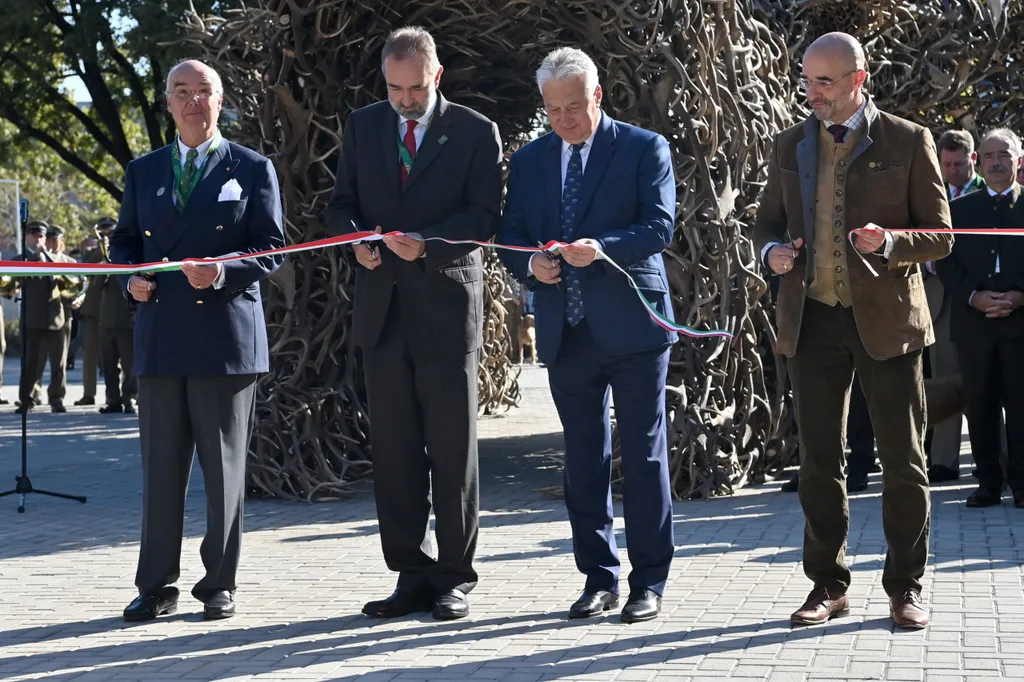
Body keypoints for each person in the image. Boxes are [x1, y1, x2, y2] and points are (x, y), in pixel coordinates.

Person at [753, 32, 953, 629]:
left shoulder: (908, 139)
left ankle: (906, 586)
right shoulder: (790, 143)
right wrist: (771, 253)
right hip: (811, 320)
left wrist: (890, 242)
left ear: (858, 79)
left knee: (904, 459)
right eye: (806, 80)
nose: (811, 92)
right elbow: (765, 224)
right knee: (818, 461)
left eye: (824, 81)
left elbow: (941, 235)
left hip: (889, 322)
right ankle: (827, 585)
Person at [326, 26, 502, 621]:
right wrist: (357, 241)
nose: (405, 100)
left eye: (416, 89)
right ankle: (411, 572)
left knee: (452, 452)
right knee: (395, 453)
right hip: (382, 314)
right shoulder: (363, 126)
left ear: (437, 76)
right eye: (395, 89)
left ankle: (454, 577)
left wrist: (428, 244)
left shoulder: (475, 131)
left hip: (446, 312)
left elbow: (484, 215)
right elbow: (341, 204)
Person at [498, 47, 676, 623]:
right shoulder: (530, 160)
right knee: (582, 460)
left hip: (633, 325)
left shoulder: (644, 147)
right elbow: (510, 237)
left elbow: (659, 225)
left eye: (573, 107)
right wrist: (531, 265)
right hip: (565, 330)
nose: (564, 119)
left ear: (597, 96)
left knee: (643, 456)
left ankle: (648, 582)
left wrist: (602, 248)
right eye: (553, 110)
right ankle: (599, 578)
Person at [110, 59, 285, 622]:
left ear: (219, 99)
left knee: (223, 473)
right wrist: (130, 280)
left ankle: (219, 584)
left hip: (223, 339)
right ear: (168, 103)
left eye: (203, 91)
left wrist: (223, 273)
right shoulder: (144, 170)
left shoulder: (251, 167)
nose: (192, 101)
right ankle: (155, 585)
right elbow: (124, 244)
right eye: (181, 91)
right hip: (161, 336)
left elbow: (272, 248)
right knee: (161, 472)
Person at [937, 128, 1024, 509]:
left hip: (1020, 324)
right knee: (980, 405)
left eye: (1004, 154)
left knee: (1020, 406)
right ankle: (988, 482)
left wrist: (1020, 296)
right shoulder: (958, 210)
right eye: (988, 156)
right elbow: (946, 263)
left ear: (1018, 160)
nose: (996, 162)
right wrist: (975, 296)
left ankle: (1022, 483)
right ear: (979, 162)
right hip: (974, 325)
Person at [1, 221, 80, 413]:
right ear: (27, 237)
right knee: (30, 363)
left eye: (41, 236)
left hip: (56, 317)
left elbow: (72, 285)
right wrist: (30, 263)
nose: (38, 239)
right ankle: (27, 399)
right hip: (32, 318)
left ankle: (57, 398)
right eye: (35, 236)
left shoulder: (57, 260)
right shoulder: (20, 260)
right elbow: (8, 287)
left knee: (59, 363)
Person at [96, 219, 137, 414]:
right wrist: (103, 267)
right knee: (108, 364)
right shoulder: (102, 260)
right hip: (106, 320)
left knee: (130, 365)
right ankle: (112, 400)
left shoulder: (130, 259)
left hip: (126, 321)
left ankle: (129, 398)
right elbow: (95, 287)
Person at [73, 224, 110, 406]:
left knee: (115, 355)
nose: (106, 236)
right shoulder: (93, 253)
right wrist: (101, 249)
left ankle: (118, 396)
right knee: (89, 354)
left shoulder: (124, 249)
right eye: (103, 233)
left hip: (114, 311)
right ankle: (89, 393)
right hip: (94, 310)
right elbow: (87, 271)